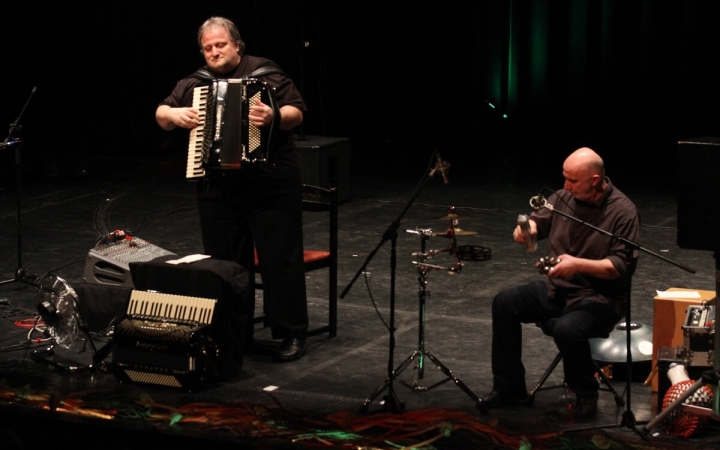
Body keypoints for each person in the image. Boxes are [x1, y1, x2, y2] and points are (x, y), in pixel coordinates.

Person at [155, 16, 309, 363]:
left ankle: (291, 332)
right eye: (207, 48)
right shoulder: (195, 82)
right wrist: (175, 115)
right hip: (218, 189)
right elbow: (161, 113)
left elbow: (296, 112)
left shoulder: (266, 73)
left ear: (237, 45)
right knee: (225, 265)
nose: (214, 52)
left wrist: (272, 116)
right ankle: (236, 335)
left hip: (270, 185)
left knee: (279, 262)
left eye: (220, 44)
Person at [479, 147, 640, 418]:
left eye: (572, 180)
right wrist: (525, 230)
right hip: (559, 290)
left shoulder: (623, 212)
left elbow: (620, 267)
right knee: (505, 302)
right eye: (564, 178)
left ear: (595, 180)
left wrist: (577, 264)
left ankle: (586, 393)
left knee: (567, 329)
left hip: (600, 298)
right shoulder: (563, 197)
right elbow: (536, 225)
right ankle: (509, 387)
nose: (565, 186)